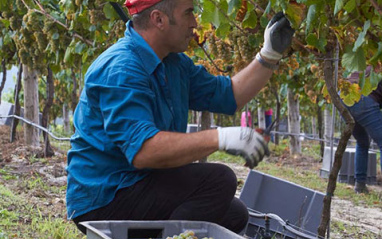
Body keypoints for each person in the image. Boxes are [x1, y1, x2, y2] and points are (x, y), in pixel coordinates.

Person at [66, 0, 294, 235]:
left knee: (234, 214)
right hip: (106, 197)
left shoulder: (172, 63)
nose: (195, 23)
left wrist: (269, 54)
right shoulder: (121, 68)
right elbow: (144, 151)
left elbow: (229, 95)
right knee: (220, 180)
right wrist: (221, 137)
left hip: (139, 182)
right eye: (188, 14)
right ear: (158, 19)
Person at [344, 66, 382, 194]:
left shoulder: (370, 61)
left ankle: (360, 185)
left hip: (344, 97)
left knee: (362, 142)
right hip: (363, 99)